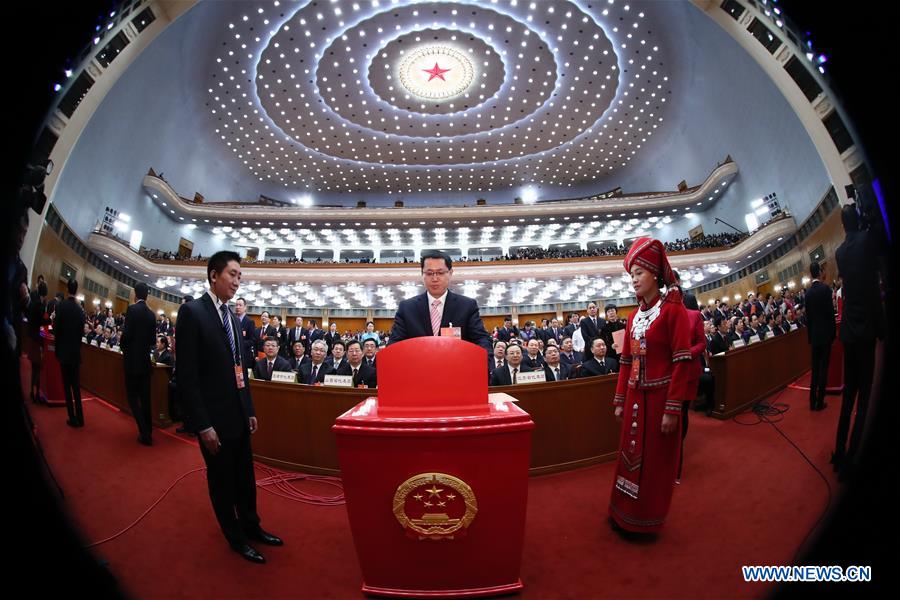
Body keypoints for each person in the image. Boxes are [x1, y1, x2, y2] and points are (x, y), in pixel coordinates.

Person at [175, 251, 282, 563]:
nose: (238, 281)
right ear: (213, 275)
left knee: (245, 479)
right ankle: (235, 537)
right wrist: (202, 425)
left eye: (240, 276)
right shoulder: (193, 312)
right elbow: (188, 376)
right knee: (222, 482)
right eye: (232, 274)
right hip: (214, 421)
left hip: (237, 415)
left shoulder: (234, 318)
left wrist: (249, 408)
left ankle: (252, 526)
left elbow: (240, 369)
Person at [609, 237, 692, 534]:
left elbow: (682, 360)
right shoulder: (633, 316)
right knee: (630, 455)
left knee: (655, 461)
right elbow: (625, 361)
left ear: (654, 274)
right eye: (631, 275)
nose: (633, 280)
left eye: (638, 273)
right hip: (634, 398)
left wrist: (674, 408)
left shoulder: (672, 310)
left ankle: (645, 519)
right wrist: (620, 399)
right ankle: (622, 513)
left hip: (659, 399)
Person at [833, 204, 884, 478]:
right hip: (866, 332)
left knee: (848, 397)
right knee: (864, 399)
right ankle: (852, 459)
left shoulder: (840, 252)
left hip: (849, 333)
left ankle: (839, 451)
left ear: (842, 226)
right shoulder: (866, 239)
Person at [387, 251, 492, 353]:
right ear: (422, 274)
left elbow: (481, 340)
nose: (435, 278)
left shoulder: (467, 306)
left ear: (450, 273)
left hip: (456, 368)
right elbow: (394, 344)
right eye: (429, 273)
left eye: (440, 273)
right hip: (418, 368)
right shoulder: (407, 308)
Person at [121, 282, 158, 446]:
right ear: (147, 296)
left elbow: (126, 335)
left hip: (131, 362)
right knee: (145, 398)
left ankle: (144, 432)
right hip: (144, 363)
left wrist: (123, 346)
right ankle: (148, 430)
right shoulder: (151, 315)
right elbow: (151, 341)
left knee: (131, 397)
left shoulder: (132, 310)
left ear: (135, 294)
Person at [680, 289, 707, 480]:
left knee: (682, 409)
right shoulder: (667, 315)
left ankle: (679, 444)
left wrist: (688, 353)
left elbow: (702, 343)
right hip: (670, 372)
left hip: (689, 370)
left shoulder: (694, 315)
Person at [54, 279, 86, 428]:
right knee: (76, 387)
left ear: (67, 290)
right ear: (77, 290)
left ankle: (72, 418)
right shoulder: (80, 310)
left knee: (67, 387)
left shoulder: (61, 306)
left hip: (64, 352)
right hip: (75, 353)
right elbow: (81, 334)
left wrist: (58, 349)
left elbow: (57, 330)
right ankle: (81, 418)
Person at [804, 262, 836, 412]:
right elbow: (830, 314)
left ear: (811, 274)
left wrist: (810, 337)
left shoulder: (808, 293)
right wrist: (833, 333)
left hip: (815, 337)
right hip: (825, 336)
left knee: (815, 369)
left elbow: (808, 319)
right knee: (823, 369)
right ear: (819, 272)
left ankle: (812, 401)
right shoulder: (825, 289)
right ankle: (820, 401)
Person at [25, 279, 49, 403]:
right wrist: (50, 320)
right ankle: (36, 393)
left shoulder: (33, 303)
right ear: (45, 295)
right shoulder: (40, 306)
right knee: (38, 367)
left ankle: (32, 391)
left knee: (34, 366)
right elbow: (42, 322)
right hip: (36, 340)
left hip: (31, 337)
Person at [234, 297, 258, 371]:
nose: (237, 307)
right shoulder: (233, 319)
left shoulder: (249, 322)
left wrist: (239, 344)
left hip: (245, 355)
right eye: (236, 305)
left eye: (240, 305)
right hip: (234, 355)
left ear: (245, 307)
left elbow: (252, 340)